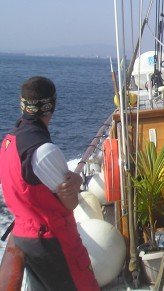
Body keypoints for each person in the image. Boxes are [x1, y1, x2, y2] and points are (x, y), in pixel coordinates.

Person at [0, 77, 99, 290]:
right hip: (53, 238)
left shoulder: (10, 141)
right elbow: (70, 203)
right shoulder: (45, 151)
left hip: (25, 235)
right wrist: (78, 179)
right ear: (51, 105)